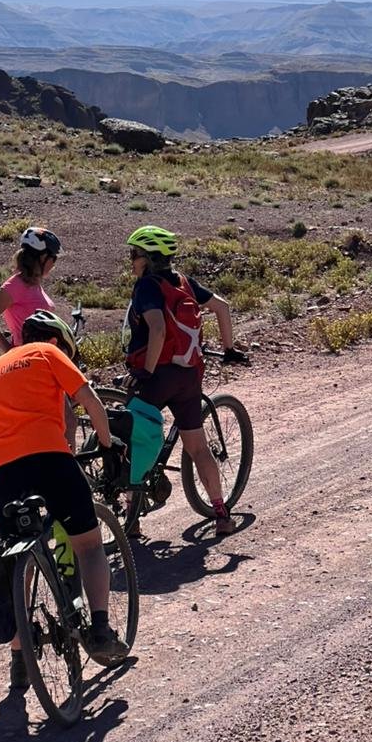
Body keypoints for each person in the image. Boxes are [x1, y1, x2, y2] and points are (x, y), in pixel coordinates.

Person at [0, 309, 129, 688]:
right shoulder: (48, 354)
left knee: (18, 555)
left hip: (4, 473)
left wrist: (3, 448)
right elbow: (90, 402)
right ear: (57, 342)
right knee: (88, 544)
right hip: (51, 460)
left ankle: (20, 658)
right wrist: (108, 444)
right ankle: (100, 631)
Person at [123, 225, 248, 536]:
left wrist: (147, 372)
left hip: (157, 376)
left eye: (134, 255)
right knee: (199, 448)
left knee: (132, 440)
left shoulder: (147, 287)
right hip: (189, 375)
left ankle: (132, 520)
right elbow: (222, 306)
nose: (131, 261)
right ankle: (221, 514)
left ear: (148, 258)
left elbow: (158, 330)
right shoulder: (184, 283)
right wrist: (229, 349)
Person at [0, 227, 62, 354]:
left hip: (41, 355)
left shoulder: (34, 284)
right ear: (43, 257)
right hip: (26, 358)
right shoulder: (16, 284)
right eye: (54, 258)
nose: (54, 264)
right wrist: (9, 351)